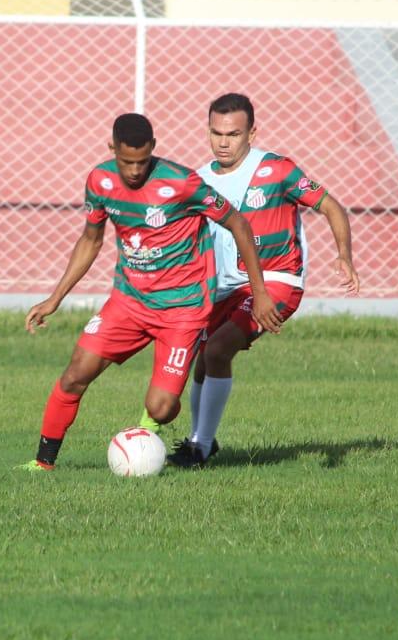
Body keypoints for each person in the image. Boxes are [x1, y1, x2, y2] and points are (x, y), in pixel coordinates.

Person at [19, 112, 280, 471]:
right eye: (127, 162)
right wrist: (55, 298)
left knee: (161, 407)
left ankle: (145, 435)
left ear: (153, 149)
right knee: (76, 373)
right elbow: (90, 240)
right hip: (129, 302)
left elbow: (238, 223)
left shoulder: (182, 183)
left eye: (142, 161)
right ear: (112, 148)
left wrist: (260, 291)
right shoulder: (100, 181)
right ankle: (43, 463)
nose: (135, 171)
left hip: (183, 309)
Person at [151, 93, 359, 467]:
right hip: (222, 287)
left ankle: (200, 446)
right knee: (203, 357)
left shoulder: (278, 170)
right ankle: (199, 442)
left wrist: (344, 256)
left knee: (216, 350)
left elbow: (331, 206)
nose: (224, 142)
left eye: (233, 134)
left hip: (276, 281)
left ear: (252, 133)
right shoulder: (198, 180)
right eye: (216, 133)